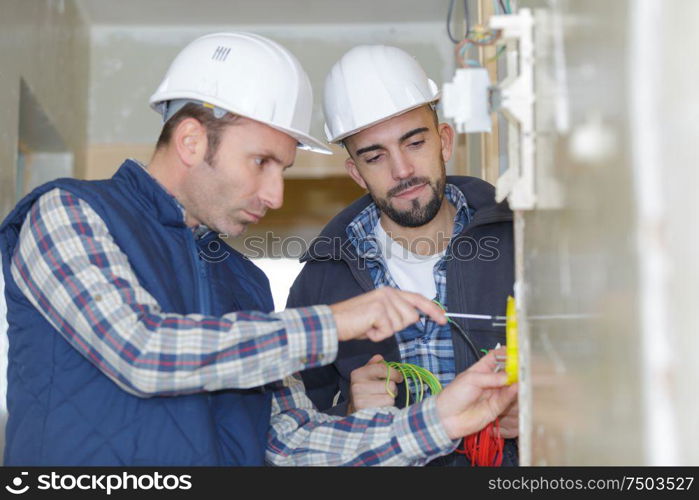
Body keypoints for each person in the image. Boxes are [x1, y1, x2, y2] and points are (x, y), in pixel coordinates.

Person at [0, 33, 516, 466]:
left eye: (283, 169)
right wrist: (335, 323)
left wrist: (442, 419)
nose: (275, 196)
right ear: (191, 141)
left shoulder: (242, 280)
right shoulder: (68, 214)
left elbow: (290, 439)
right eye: (262, 163)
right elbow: (143, 350)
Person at [287, 45, 519, 466]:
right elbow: (291, 438)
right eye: (375, 156)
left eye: (414, 143)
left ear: (444, 141)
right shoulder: (320, 283)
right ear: (357, 172)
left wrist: (542, 409)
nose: (402, 171)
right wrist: (351, 416)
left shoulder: (521, 243)